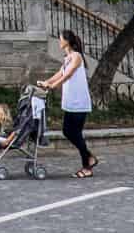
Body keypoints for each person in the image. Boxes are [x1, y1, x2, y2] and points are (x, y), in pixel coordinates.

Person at [41, 29, 97, 178]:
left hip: (79, 102)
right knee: (67, 131)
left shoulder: (77, 56)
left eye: (61, 39)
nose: (59, 41)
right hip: (71, 102)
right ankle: (89, 157)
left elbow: (69, 74)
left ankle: (87, 167)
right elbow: (60, 73)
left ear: (67, 41)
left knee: (76, 134)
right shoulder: (67, 58)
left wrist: (55, 85)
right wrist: (47, 82)